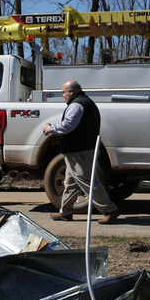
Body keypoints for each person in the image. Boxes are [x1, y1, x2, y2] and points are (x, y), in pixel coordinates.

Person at [42, 80, 120, 224]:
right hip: (81, 150)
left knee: (88, 182)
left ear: (71, 92)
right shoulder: (85, 102)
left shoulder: (77, 104)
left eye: (63, 92)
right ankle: (66, 212)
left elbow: (68, 126)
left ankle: (110, 209)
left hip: (78, 151)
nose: (63, 96)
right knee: (70, 182)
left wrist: (50, 128)